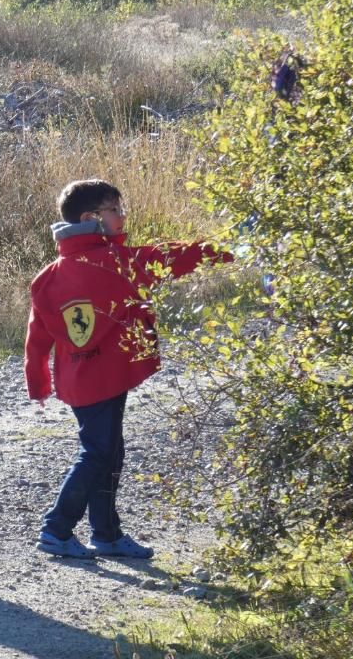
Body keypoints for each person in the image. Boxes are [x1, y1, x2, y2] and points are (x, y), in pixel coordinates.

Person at [24, 179, 231, 559]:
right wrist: (225, 250)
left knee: (108, 452)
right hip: (101, 380)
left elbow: (37, 338)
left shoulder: (48, 276)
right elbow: (173, 256)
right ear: (91, 219)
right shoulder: (117, 262)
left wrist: (38, 383)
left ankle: (106, 534)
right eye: (115, 210)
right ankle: (56, 528)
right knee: (98, 454)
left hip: (80, 381)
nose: (123, 216)